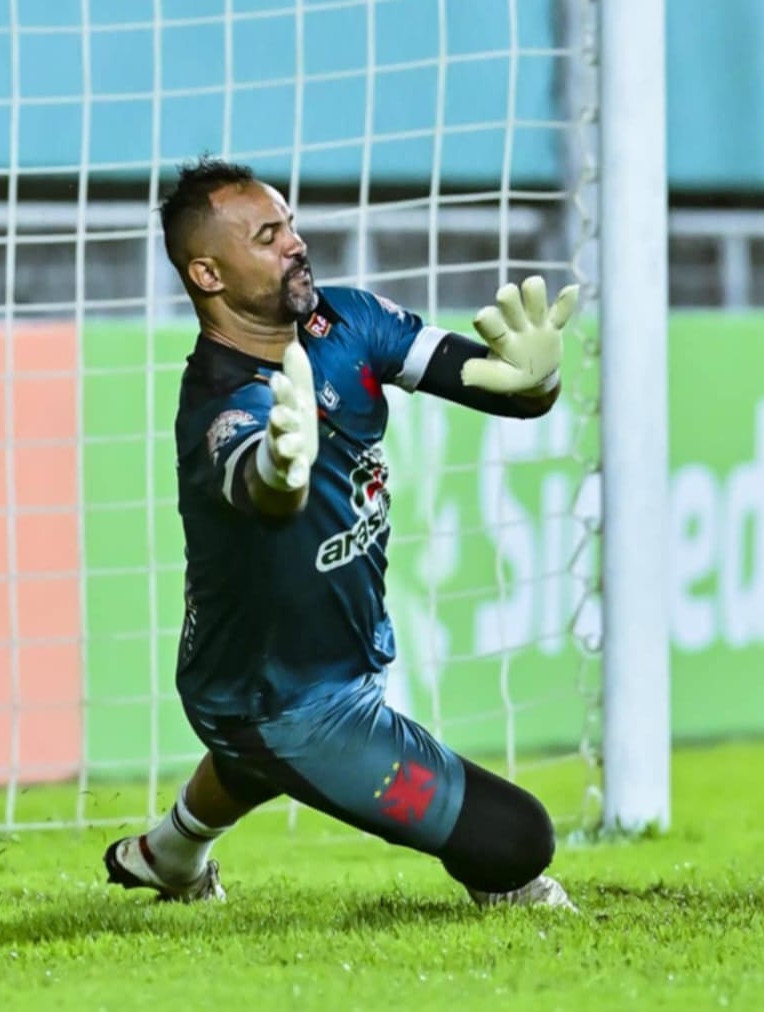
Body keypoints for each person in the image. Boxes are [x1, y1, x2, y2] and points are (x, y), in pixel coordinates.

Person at [102, 156, 580, 910]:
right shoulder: (218, 402)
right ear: (209, 274)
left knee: (258, 762)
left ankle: (171, 854)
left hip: (321, 668)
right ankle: (506, 887)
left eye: (289, 222)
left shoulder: (347, 320)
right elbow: (261, 486)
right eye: (267, 235)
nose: (294, 242)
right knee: (518, 838)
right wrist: (281, 470)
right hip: (274, 702)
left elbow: (493, 384)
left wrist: (535, 380)